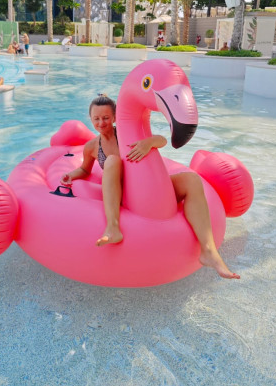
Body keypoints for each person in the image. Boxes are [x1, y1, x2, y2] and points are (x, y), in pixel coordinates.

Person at [60, 94, 240, 279]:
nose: (101, 123)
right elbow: (84, 169)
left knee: (191, 180)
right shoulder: (91, 147)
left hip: (145, 187)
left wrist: (149, 142)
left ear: (114, 117)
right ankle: (113, 227)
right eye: (96, 119)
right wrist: (70, 175)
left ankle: (209, 251)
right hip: (124, 194)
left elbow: (162, 140)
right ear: (90, 119)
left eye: (106, 118)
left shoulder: (125, 133)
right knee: (112, 161)